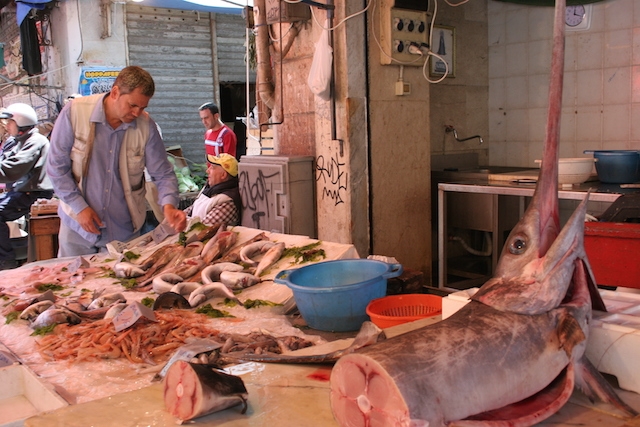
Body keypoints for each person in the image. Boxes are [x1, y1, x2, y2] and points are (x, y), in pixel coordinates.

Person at [47, 66, 187, 257]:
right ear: (115, 92)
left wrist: (169, 206)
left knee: (120, 285)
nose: (137, 113)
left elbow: (163, 174)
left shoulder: (147, 126)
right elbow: (56, 168)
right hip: (77, 232)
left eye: (143, 107)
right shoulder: (74, 113)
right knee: (71, 283)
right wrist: (79, 207)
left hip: (124, 233)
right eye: (132, 105)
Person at [0, 103, 54, 270]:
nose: (7, 127)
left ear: (21, 122)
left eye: (10, 123)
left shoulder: (35, 141)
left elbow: (13, 168)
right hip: (22, 193)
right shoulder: (20, 141)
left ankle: (5, 261)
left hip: (35, 195)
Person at [184, 153, 241, 226]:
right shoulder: (210, 188)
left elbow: (202, 228)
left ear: (223, 175)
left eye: (212, 167)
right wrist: (179, 215)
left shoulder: (228, 201)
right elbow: (193, 208)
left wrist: (182, 221)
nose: (207, 171)